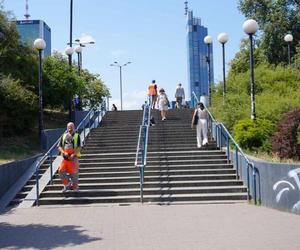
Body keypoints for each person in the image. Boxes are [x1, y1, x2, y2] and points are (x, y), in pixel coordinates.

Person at [58, 122, 81, 192]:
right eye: (69, 127)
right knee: (60, 170)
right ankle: (67, 183)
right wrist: (64, 152)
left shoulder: (77, 135)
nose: (70, 128)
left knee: (74, 173)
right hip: (65, 157)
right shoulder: (63, 136)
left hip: (73, 157)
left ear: (74, 127)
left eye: (71, 127)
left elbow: (79, 147)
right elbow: (59, 147)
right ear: (67, 128)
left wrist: (73, 155)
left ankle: (75, 187)